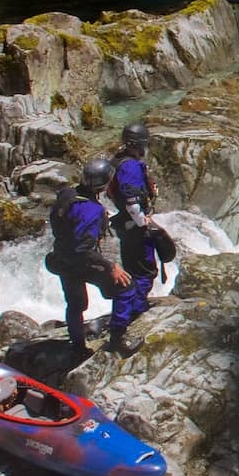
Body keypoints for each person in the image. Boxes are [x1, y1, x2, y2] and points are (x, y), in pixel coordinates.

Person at [45, 158, 132, 359]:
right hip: (80, 261)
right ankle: (119, 339)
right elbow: (83, 249)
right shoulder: (92, 210)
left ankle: (77, 346)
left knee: (76, 305)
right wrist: (111, 266)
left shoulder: (67, 193)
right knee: (125, 286)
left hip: (61, 258)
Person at [105, 122, 161, 357]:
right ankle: (133, 317)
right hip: (135, 228)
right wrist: (144, 223)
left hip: (126, 226)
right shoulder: (130, 167)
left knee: (133, 268)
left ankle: (131, 313)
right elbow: (131, 200)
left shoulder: (119, 160)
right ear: (138, 144)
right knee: (144, 271)